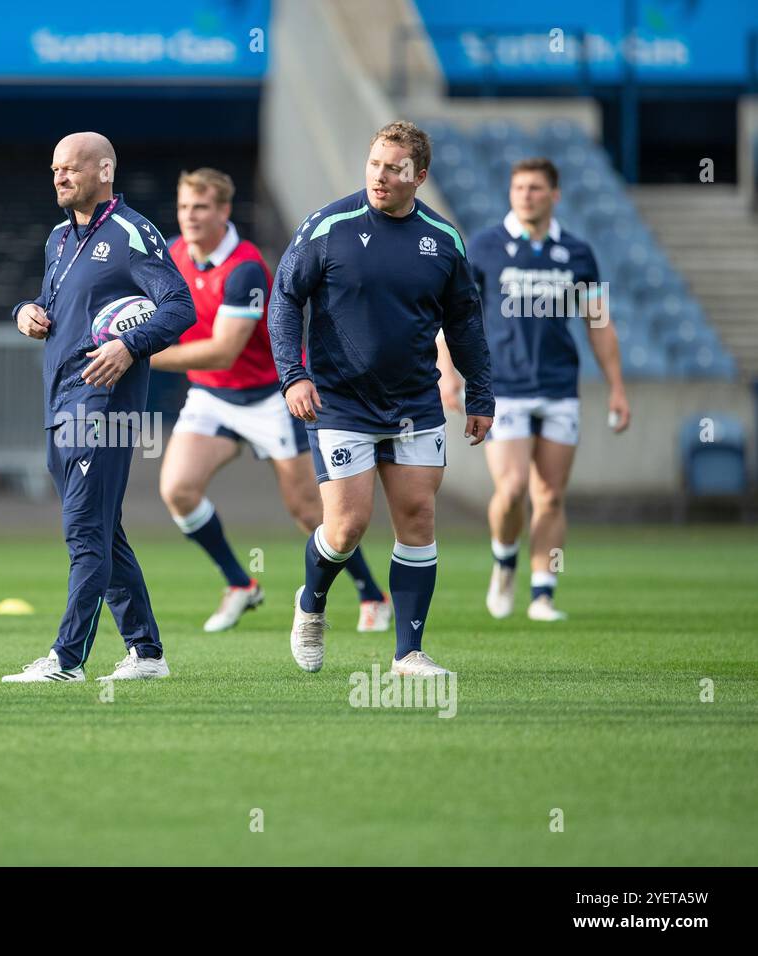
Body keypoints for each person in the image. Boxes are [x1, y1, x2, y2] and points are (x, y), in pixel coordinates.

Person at [269, 120, 494, 677]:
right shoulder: (328, 226)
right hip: (340, 400)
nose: (381, 176)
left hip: (416, 403)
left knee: (417, 516)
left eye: (395, 168)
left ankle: (408, 654)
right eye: (375, 164)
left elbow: (465, 321)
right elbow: (283, 299)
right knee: (346, 527)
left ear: (420, 176)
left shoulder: (444, 239)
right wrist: (293, 375)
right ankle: (311, 604)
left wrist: (481, 391)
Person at [151, 167, 391, 633]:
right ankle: (240, 584)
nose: (190, 216)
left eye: (201, 207)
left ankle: (371, 593)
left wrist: (143, 354)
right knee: (178, 489)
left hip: (271, 395)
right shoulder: (174, 254)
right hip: (211, 395)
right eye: (183, 207)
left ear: (223, 210)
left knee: (308, 511)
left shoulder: (245, 267)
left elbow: (225, 349)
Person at [5, 131, 195, 683]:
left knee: (85, 532)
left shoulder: (133, 233)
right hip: (60, 401)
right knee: (103, 532)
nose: (60, 177)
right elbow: (50, 302)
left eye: (71, 168)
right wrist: (25, 311)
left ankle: (67, 660)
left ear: (105, 170)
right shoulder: (60, 239)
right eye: (55, 169)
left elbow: (180, 307)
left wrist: (128, 345)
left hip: (105, 407)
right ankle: (147, 654)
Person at [444, 157, 629, 622]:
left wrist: (617, 388)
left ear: (554, 195)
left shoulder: (578, 253)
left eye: (535, 188)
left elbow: (598, 322)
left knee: (550, 496)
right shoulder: (485, 247)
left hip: (559, 387)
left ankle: (542, 594)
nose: (526, 195)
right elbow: (454, 317)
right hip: (503, 387)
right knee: (512, 489)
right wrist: (449, 372)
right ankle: (504, 561)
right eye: (519, 187)